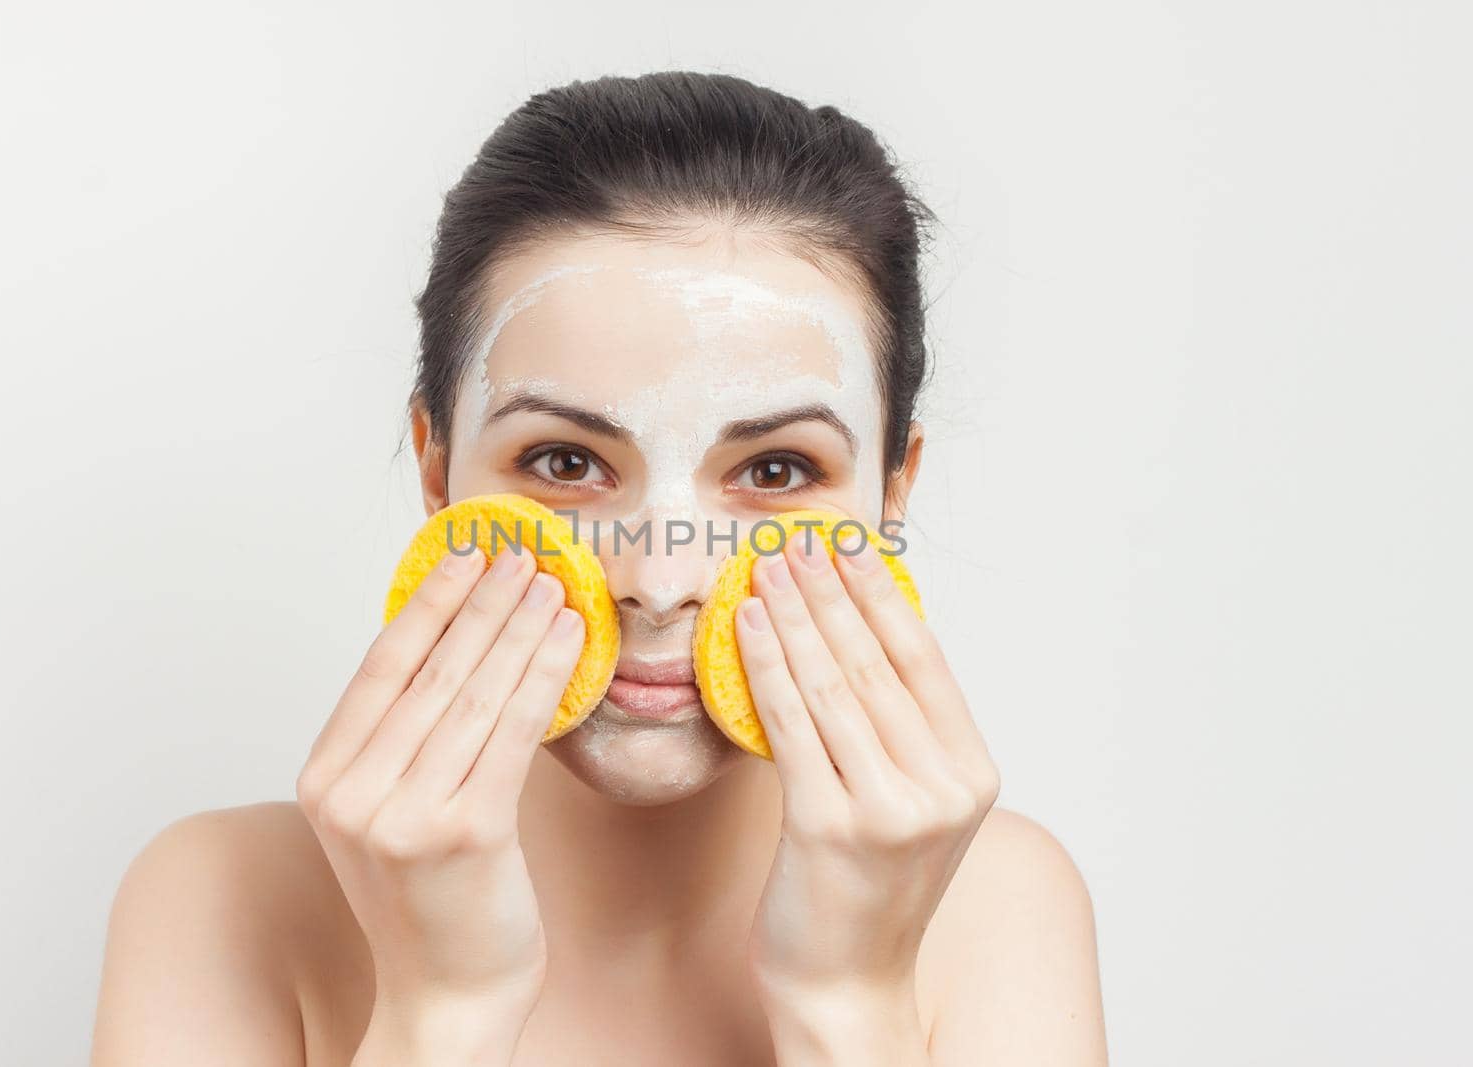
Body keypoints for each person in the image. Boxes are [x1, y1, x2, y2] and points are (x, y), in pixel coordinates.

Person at [90, 70, 1107, 1065]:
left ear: (889, 494)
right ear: (440, 475)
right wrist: (445, 1008)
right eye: (565, 463)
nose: (659, 581)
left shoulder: (1000, 906)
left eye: (774, 468)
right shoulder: (223, 899)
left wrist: (846, 1000)